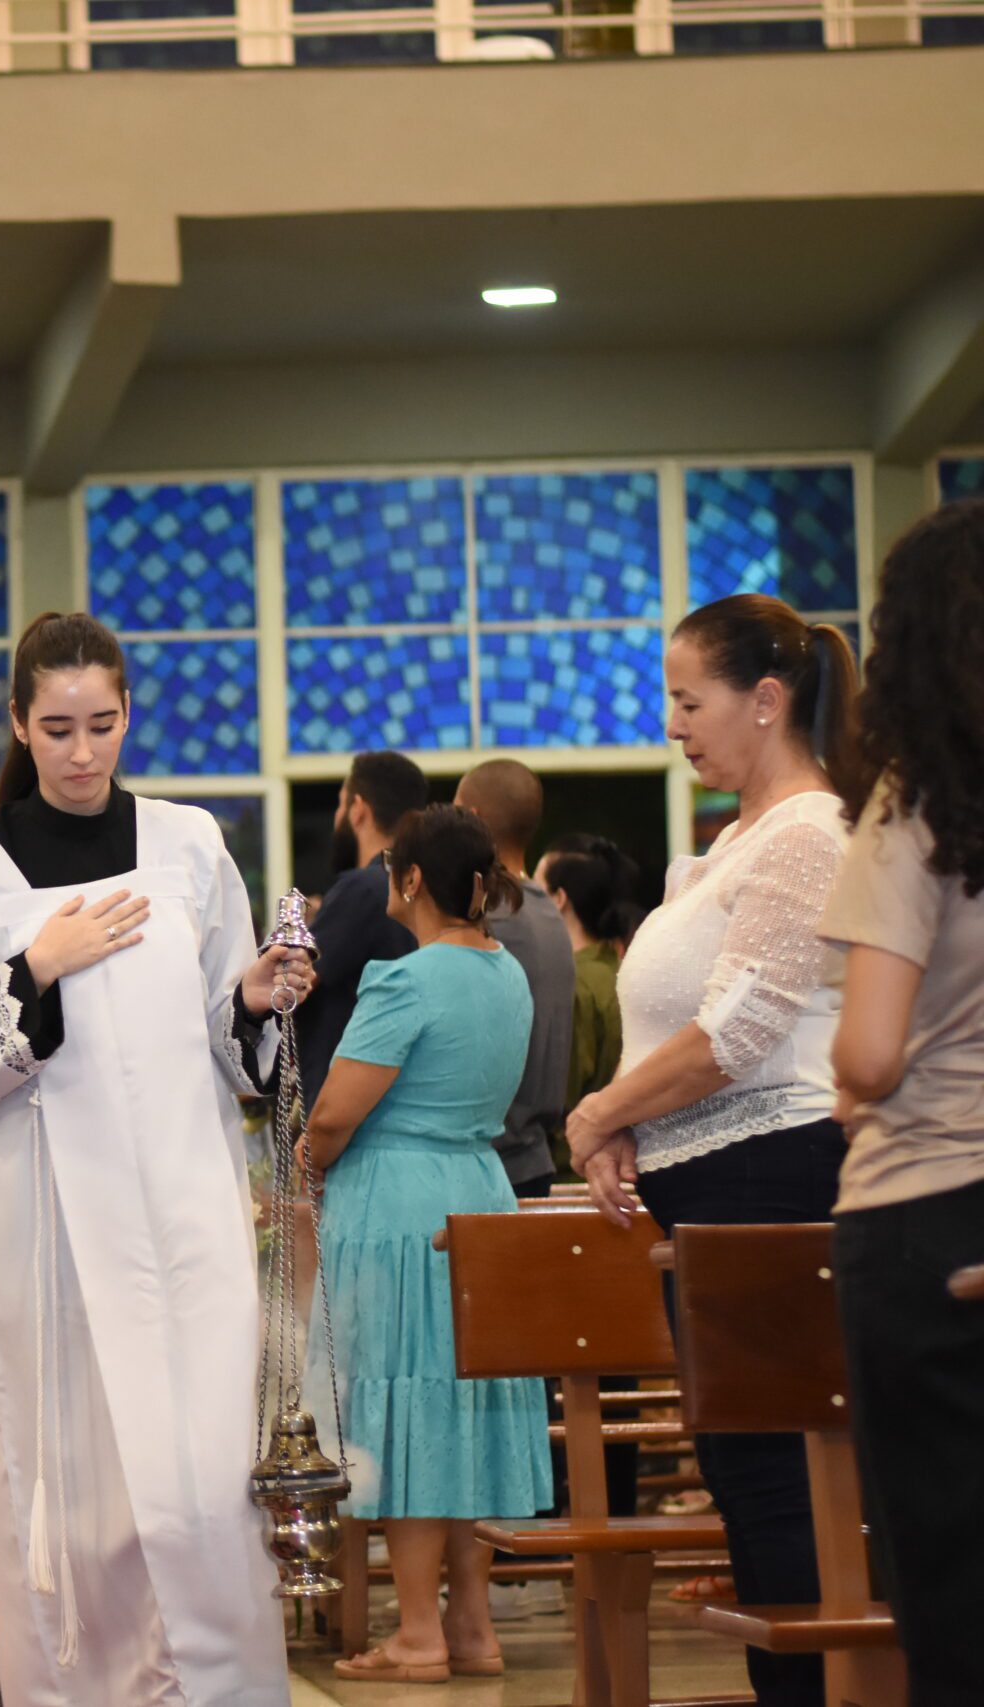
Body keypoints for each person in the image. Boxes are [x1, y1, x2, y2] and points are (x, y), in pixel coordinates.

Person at [0, 612, 311, 1707]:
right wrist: (35, 966)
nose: (82, 753)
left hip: (186, 1208)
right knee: (84, 1482)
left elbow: (229, 1041)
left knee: (201, 1476)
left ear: (128, 715)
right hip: (52, 1223)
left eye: (102, 725)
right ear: (17, 724)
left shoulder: (188, 845)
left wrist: (254, 995)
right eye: (57, 729)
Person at [567, 593, 858, 1707]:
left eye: (691, 702)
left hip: (772, 1177)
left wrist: (599, 1114)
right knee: (747, 1481)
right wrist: (628, 1118)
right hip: (713, 1191)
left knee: (777, 1481)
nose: (674, 725)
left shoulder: (808, 833)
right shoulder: (732, 844)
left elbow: (738, 1030)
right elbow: (680, 1030)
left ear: (766, 700)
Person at [305, 805, 555, 1683]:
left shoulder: (404, 980)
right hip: (479, 1187)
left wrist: (304, 1160)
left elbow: (335, 1112)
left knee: (407, 1413)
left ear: (410, 879)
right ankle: (471, 1623)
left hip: (399, 1203)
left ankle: (416, 1632)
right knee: (463, 1412)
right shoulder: (506, 972)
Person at [820, 500, 984, 1705]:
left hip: (926, 1202)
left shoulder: (915, 802)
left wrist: (844, 1079)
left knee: (950, 1582)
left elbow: (872, 1053)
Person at [453, 759, 571, 1197]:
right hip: (532, 1153)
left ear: (473, 820)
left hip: (492, 1161)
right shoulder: (548, 911)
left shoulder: (490, 915)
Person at [299, 751, 426, 1107]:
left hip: (347, 1105)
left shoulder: (365, 888)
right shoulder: (422, 887)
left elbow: (295, 984)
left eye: (341, 804)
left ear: (358, 809)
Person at [536, 833, 642, 1113]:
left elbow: (559, 1102)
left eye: (536, 890)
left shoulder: (573, 985)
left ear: (559, 899)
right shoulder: (623, 970)